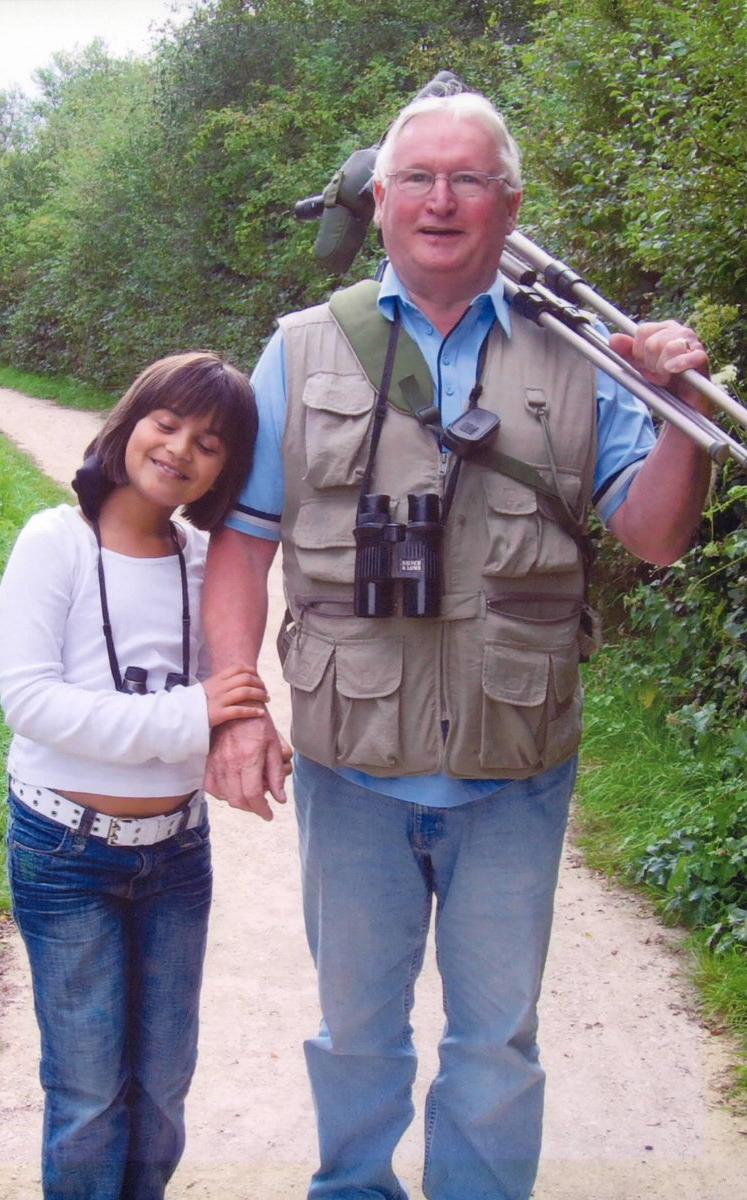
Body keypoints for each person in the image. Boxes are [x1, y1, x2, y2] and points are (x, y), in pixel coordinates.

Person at [201, 91, 714, 1200]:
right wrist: (235, 703)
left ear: (507, 203)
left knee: (494, 1044)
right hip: (352, 762)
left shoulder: (586, 358)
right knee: (354, 1033)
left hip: (515, 767)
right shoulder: (300, 350)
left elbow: (657, 536)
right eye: (418, 179)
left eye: (468, 179)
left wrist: (678, 414)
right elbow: (241, 542)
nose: (442, 200)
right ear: (378, 202)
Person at [0, 351, 271, 1200]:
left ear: (227, 470)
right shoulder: (57, 543)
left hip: (175, 858)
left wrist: (244, 737)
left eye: (211, 443)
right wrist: (190, 718)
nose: (182, 448)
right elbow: (33, 702)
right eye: (167, 422)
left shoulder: (200, 561)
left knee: (160, 1090)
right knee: (85, 1094)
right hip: (65, 852)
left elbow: (225, 696)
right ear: (128, 420)